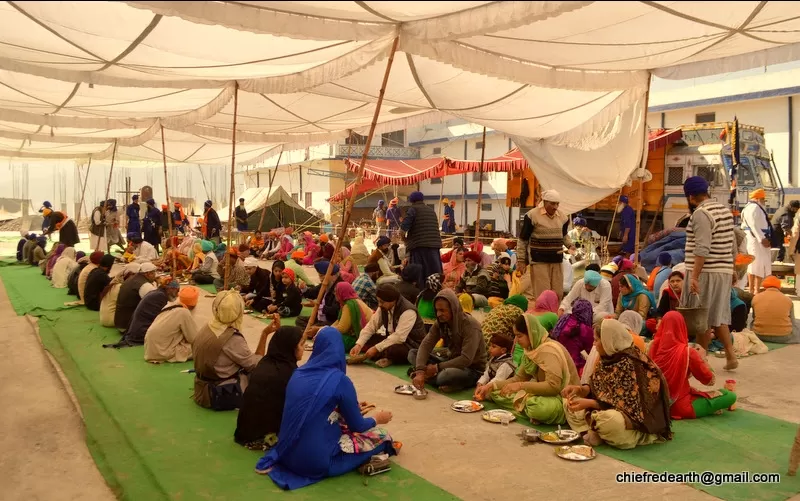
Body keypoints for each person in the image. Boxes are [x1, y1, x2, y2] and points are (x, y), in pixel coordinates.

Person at [255, 327, 396, 489]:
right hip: (315, 464)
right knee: (383, 436)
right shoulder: (340, 380)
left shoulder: (298, 373)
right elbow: (357, 425)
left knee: (333, 424)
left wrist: (350, 407)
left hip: (285, 453)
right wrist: (378, 418)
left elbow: (314, 406)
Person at [562, 318, 672, 449]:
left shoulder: (632, 363)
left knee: (610, 421)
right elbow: (598, 387)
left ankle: (637, 436)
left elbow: (628, 406)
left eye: (597, 340)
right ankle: (598, 432)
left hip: (635, 421)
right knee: (567, 404)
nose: (594, 344)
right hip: (605, 408)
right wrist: (580, 390)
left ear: (608, 341)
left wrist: (590, 403)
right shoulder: (608, 358)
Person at [480, 314, 579, 424]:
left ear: (532, 333)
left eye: (519, 336)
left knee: (537, 407)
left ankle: (534, 410)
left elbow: (553, 386)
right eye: (515, 336)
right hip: (541, 394)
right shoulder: (530, 350)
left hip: (561, 398)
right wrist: (490, 386)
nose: (516, 341)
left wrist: (522, 386)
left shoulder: (549, 350)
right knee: (496, 392)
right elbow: (519, 378)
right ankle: (528, 408)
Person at [683, 176, 738, 370]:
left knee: (701, 319)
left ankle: (702, 361)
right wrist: (732, 269)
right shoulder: (724, 210)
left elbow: (702, 249)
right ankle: (731, 355)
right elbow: (732, 244)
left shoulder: (701, 214)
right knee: (717, 315)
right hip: (722, 270)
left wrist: (695, 277)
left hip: (706, 271)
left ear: (690, 197)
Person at [192, 292, 276, 410]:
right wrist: (265, 334)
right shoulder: (231, 338)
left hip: (201, 390)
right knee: (269, 373)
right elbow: (256, 365)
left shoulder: (208, 327)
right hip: (218, 393)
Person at [649, 312, 737, 419]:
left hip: (655, 406)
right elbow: (709, 380)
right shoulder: (687, 352)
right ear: (683, 327)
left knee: (693, 390)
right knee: (729, 396)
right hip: (680, 407)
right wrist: (703, 359)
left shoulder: (652, 346)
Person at [234, 326, 305, 450]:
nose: (303, 348)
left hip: (244, 431)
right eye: (301, 344)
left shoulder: (265, 362)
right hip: (266, 435)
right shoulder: (289, 372)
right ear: (291, 347)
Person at [410, 289, 487, 392]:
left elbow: (466, 359)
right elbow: (426, 345)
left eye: (442, 310)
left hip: (472, 369)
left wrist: (437, 368)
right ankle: (429, 376)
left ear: (453, 309)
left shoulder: (470, 325)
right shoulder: (441, 323)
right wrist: (420, 371)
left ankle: (436, 378)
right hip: (450, 361)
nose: (438, 314)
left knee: (445, 375)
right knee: (413, 353)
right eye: (437, 310)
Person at [350, 284, 426, 367]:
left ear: (392, 300)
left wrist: (376, 348)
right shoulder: (383, 307)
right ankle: (383, 354)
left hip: (410, 345)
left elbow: (399, 337)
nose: (379, 304)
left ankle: (389, 358)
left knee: (393, 350)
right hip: (391, 339)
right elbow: (371, 326)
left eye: (382, 302)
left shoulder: (408, 311)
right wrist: (359, 345)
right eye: (378, 301)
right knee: (370, 339)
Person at [516, 189, 575, 299]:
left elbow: (564, 235)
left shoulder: (563, 217)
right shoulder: (532, 215)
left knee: (557, 293)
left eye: (557, 204)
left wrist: (570, 245)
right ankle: (542, 315)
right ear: (544, 202)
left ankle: (553, 315)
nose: (555, 207)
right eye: (552, 203)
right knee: (542, 293)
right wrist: (521, 260)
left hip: (557, 260)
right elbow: (523, 239)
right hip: (539, 260)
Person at [108, 279, 179, 348]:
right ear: (170, 289)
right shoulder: (160, 296)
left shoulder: (157, 293)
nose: (177, 294)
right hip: (141, 332)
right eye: (177, 290)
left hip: (137, 329)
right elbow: (161, 318)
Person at [143, 285, 199, 363]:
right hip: (163, 352)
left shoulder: (169, 305)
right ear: (194, 303)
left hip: (150, 350)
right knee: (201, 348)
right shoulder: (183, 312)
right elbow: (194, 339)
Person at [400, 191, 443, 289]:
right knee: (434, 272)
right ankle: (436, 291)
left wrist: (405, 241)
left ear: (411, 200)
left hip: (419, 246)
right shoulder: (431, 210)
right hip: (434, 246)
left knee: (420, 274)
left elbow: (402, 230)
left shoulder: (412, 210)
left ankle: (421, 293)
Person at [751, 275, 800, 343]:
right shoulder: (788, 300)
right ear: (779, 287)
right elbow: (793, 322)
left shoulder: (756, 298)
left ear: (765, 286)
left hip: (759, 335)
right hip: (784, 337)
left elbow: (754, 317)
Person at [741, 189, 772, 294]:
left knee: (755, 265)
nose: (764, 201)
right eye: (763, 199)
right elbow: (753, 225)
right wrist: (761, 238)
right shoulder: (753, 208)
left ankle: (753, 289)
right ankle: (755, 290)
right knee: (757, 264)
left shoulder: (751, 207)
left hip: (755, 238)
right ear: (757, 199)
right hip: (756, 239)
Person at [481, 295, 527, 365]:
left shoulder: (499, 307)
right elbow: (521, 330)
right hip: (494, 345)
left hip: (480, 341)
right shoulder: (518, 311)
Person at [551, 299, 594, 374]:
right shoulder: (585, 329)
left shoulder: (564, 319)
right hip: (573, 365)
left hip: (556, 358)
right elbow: (591, 351)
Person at [297, 261, 343, 330]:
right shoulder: (325, 284)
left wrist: (318, 306)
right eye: (319, 276)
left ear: (332, 275)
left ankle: (315, 331)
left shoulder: (340, 287)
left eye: (322, 276)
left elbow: (335, 311)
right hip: (319, 319)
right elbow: (311, 293)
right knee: (299, 320)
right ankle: (314, 330)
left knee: (318, 327)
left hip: (331, 320)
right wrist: (304, 288)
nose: (320, 279)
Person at [327, 282, 373, 351]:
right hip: (366, 335)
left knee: (330, 339)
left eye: (336, 292)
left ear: (341, 292)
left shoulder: (349, 305)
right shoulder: (354, 301)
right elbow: (339, 322)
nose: (335, 294)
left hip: (363, 338)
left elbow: (342, 329)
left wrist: (327, 331)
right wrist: (326, 329)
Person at [114, 262, 157, 332]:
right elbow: (156, 302)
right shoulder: (144, 285)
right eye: (154, 273)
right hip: (129, 326)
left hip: (121, 323)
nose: (155, 276)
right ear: (148, 274)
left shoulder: (131, 279)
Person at [473, 333, 516, 401]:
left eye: (493, 346)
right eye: (490, 345)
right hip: (492, 384)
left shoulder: (507, 364)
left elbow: (498, 380)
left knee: (496, 395)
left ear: (503, 350)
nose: (490, 348)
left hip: (501, 386)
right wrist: (480, 383)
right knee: (480, 387)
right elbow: (487, 373)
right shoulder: (494, 358)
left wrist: (485, 388)